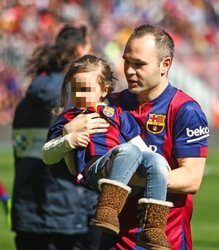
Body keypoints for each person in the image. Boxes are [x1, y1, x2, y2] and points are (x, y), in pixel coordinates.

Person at [41, 24, 209, 250]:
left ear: (165, 65)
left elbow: (191, 179)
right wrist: (67, 133)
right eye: (127, 61)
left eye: (139, 64)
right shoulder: (111, 104)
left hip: (165, 239)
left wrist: (121, 174)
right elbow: (77, 167)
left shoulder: (185, 109)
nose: (129, 70)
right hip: (114, 237)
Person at [42, 54, 173, 250]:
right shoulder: (69, 117)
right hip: (96, 171)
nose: (79, 95)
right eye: (75, 89)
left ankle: (153, 227)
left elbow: (137, 142)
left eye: (86, 90)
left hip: (127, 170)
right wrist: (68, 139)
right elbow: (47, 155)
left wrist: (159, 165)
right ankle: (107, 209)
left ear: (103, 90)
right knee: (127, 150)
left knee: (155, 158)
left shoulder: (117, 113)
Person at [11, 24, 102, 250]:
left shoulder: (28, 99)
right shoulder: (74, 100)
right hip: (69, 215)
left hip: (28, 214)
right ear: (81, 51)